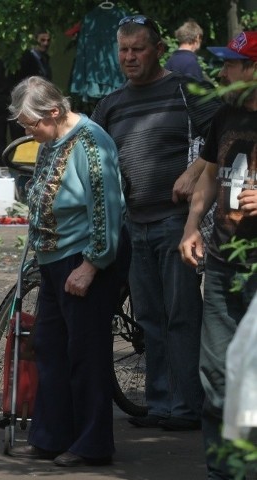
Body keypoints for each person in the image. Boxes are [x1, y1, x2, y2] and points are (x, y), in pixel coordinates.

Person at [91, 15, 220, 431]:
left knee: (182, 316)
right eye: (123, 50)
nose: (129, 57)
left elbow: (228, 135)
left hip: (177, 223)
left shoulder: (187, 91)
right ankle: (161, 404)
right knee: (148, 318)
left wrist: (197, 171)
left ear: (158, 50)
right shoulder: (111, 104)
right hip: (134, 224)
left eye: (138, 49)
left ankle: (187, 407)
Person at [6, 77, 127, 467]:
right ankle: (51, 436)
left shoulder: (92, 143)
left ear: (54, 112)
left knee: (86, 353)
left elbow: (108, 208)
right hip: (54, 260)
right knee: (49, 346)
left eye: (30, 124)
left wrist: (92, 265)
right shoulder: (50, 140)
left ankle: (92, 445)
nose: (28, 131)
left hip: (84, 260)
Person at [178, 31, 257, 480]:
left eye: (235, 65)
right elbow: (209, 172)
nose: (224, 74)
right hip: (226, 261)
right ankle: (225, 478)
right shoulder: (225, 114)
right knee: (218, 371)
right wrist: (192, 226)